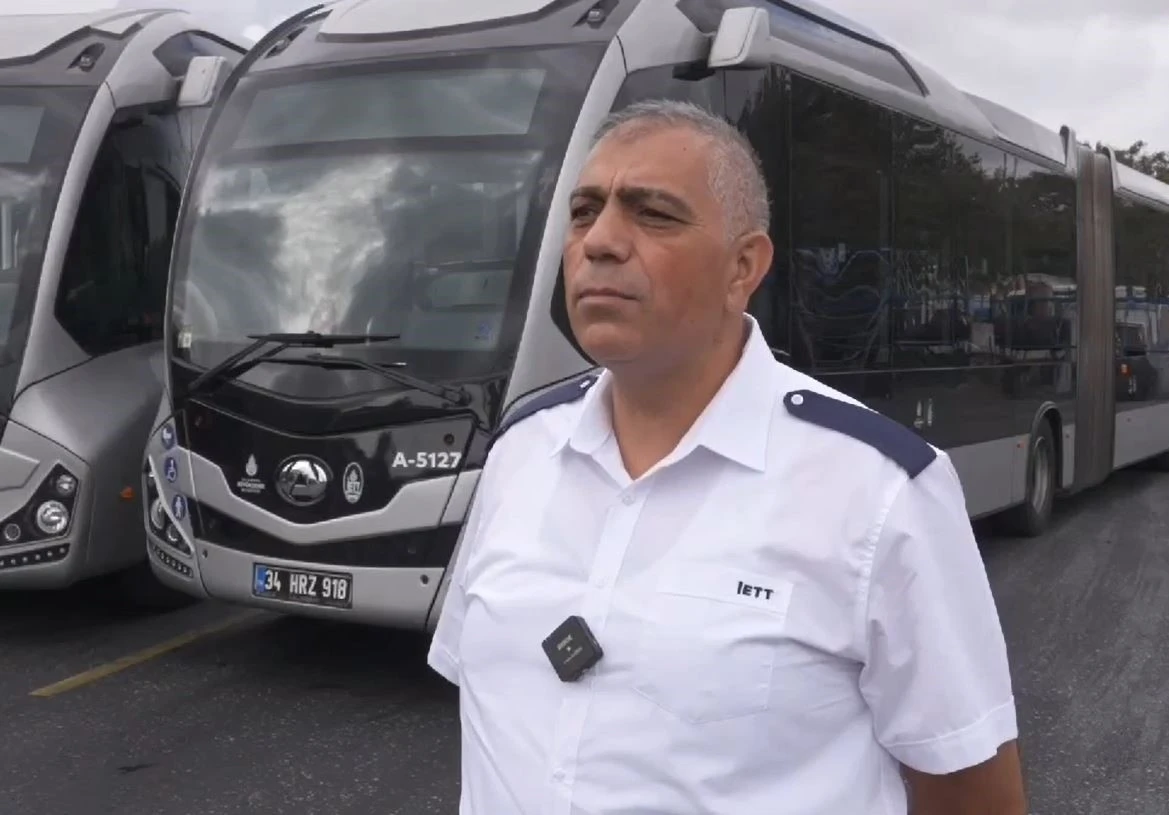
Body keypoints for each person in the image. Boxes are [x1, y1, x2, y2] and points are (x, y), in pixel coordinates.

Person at [427, 98, 1028, 815]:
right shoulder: (520, 450)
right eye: (584, 212)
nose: (600, 241)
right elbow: (492, 721)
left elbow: (970, 786)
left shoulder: (879, 489)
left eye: (653, 214)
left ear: (743, 265)